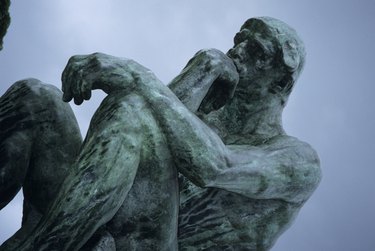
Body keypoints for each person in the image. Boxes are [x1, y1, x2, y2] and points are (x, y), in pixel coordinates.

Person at [0, 17, 321, 251]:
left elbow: (215, 166)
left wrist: (138, 75)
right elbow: (149, 118)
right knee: (38, 99)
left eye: (255, 50)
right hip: (104, 226)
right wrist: (200, 73)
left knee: (135, 110)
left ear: (280, 84)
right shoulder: (205, 112)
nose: (237, 51)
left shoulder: (298, 161)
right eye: (239, 40)